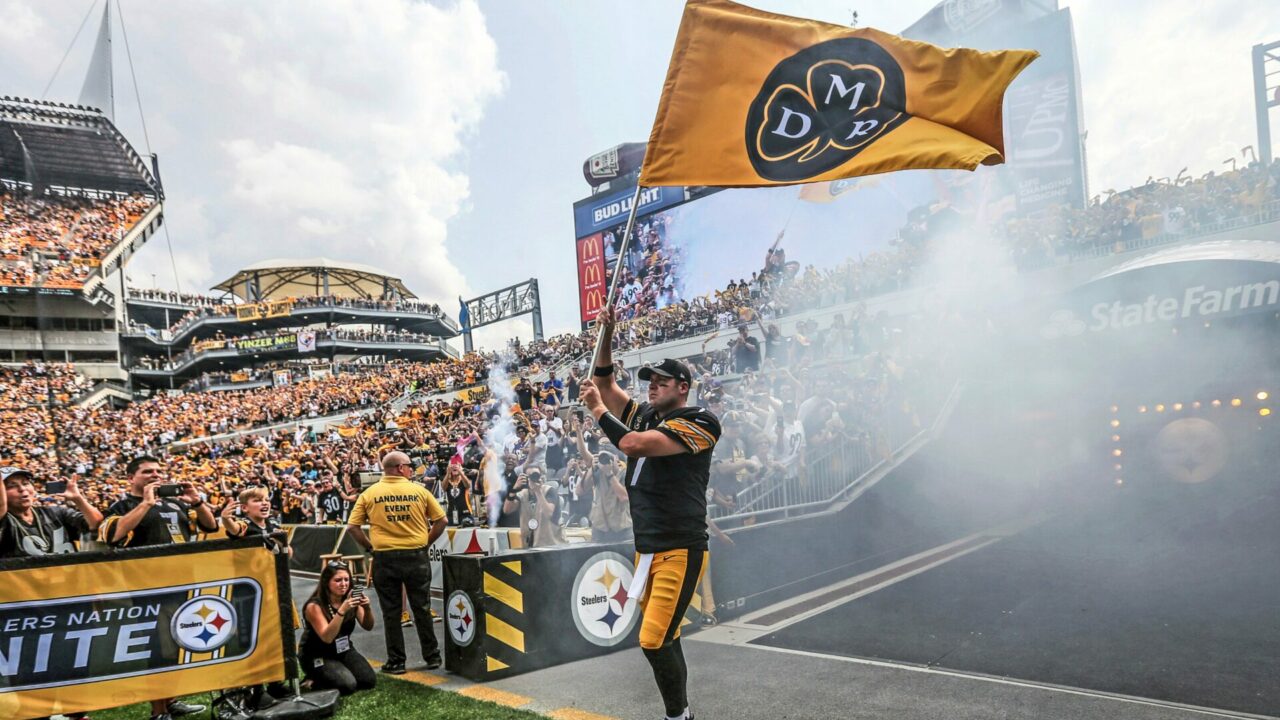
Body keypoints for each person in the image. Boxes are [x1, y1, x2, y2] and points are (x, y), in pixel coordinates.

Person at [582, 306, 721, 720]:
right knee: (666, 635)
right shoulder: (644, 414)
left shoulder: (699, 420)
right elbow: (605, 382)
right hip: (647, 549)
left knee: (653, 639)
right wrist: (607, 332)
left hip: (679, 546)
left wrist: (597, 412)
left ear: (683, 386)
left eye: (661, 382)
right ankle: (681, 713)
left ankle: (678, 716)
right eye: (650, 382)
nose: (652, 388)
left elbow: (634, 445)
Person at [99, 456, 215, 720]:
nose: (154, 475)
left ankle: (171, 699)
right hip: (148, 590)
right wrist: (147, 503)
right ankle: (158, 711)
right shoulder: (122, 505)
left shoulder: (176, 503)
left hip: (183, 584)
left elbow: (210, 525)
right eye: (147, 471)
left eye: (158, 471)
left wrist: (196, 500)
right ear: (131, 478)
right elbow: (111, 536)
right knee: (157, 650)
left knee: (176, 647)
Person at [345, 451, 447, 675]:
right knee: (422, 608)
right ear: (400, 468)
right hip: (416, 555)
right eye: (410, 465)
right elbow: (442, 520)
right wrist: (425, 542)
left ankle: (397, 661)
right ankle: (432, 657)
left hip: (385, 557)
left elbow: (352, 527)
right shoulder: (418, 491)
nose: (412, 469)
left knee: (391, 612)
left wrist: (370, 547)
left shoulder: (370, 493)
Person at [299, 560, 376, 695]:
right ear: (326, 582)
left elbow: (368, 626)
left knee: (368, 680)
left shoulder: (349, 599)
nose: (344, 584)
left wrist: (367, 608)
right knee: (347, 685)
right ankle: (313, 678)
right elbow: (327, 638)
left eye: (346, 579)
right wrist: (342, 611)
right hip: (317, 654)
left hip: (343, 649)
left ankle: (334, 671)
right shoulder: (314, 606)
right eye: (338, 580)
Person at [0, 467, 102, 557]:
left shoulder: (56, 513)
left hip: (69, 577)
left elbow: (96, 523)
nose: (22, 489)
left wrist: (78, 499)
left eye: (25, 483)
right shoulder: (4, 522)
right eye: (11, 486)